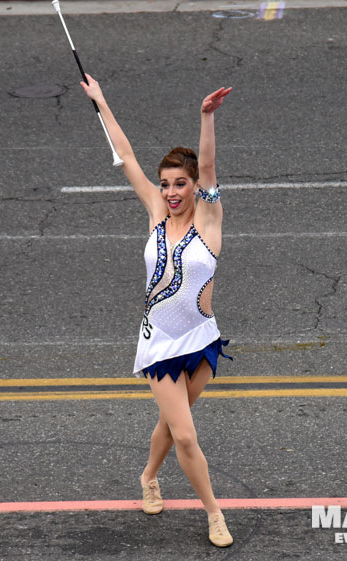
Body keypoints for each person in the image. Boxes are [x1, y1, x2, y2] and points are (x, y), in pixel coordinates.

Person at [80, 74, 234, 547]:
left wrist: (206, 117)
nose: (170, 191)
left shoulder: (209, 217)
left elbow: (208, 165)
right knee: (186, 436)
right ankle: (213, 513)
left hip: (202, 339)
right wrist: (102, 101)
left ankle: (148, 476)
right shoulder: (154, 212)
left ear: (194, 187)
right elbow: (124, 155)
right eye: (165, 183)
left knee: (173, 422)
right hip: (160, 343)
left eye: (179, 184)